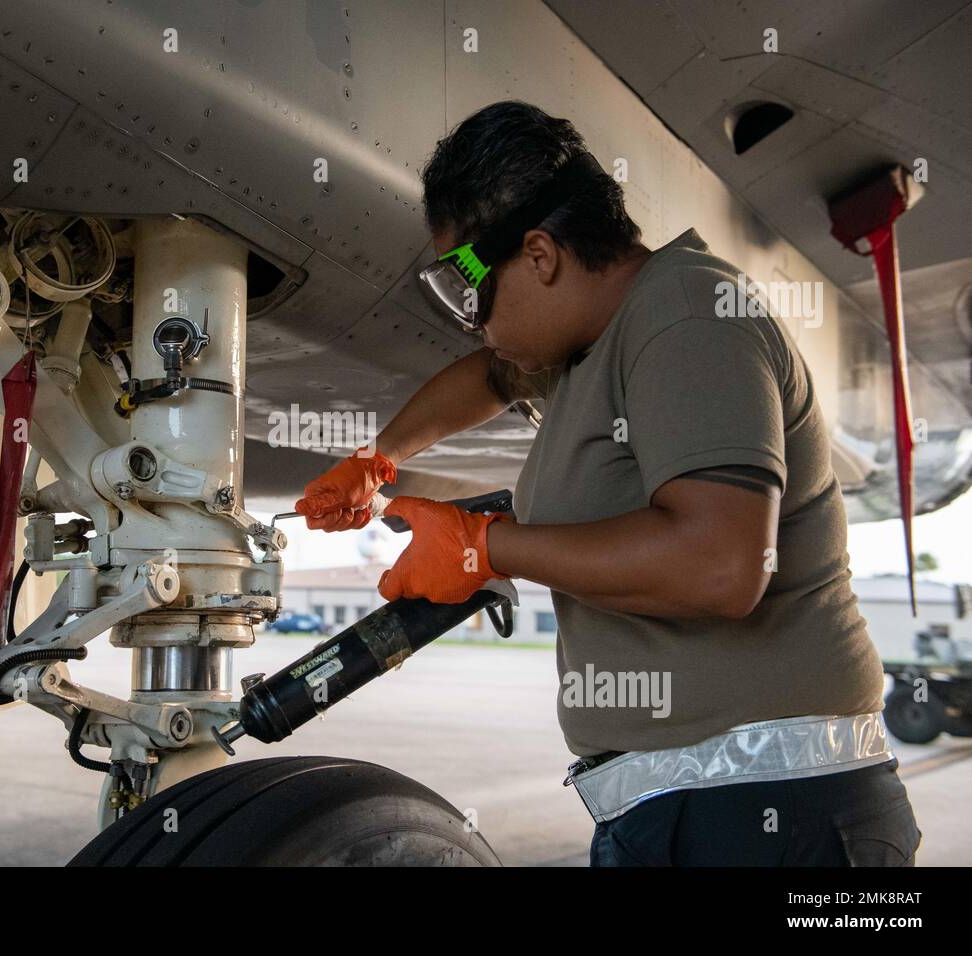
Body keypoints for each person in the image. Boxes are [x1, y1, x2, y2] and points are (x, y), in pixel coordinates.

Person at [294, 101, 921, 866]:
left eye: (475, 295)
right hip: (692, 804)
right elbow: (492, 375)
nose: (473, 323)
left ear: (540, 256)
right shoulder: (591, 348)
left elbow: (722, 565)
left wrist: (483, 547)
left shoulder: (689, 316)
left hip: (773, 812)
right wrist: (378, 457)